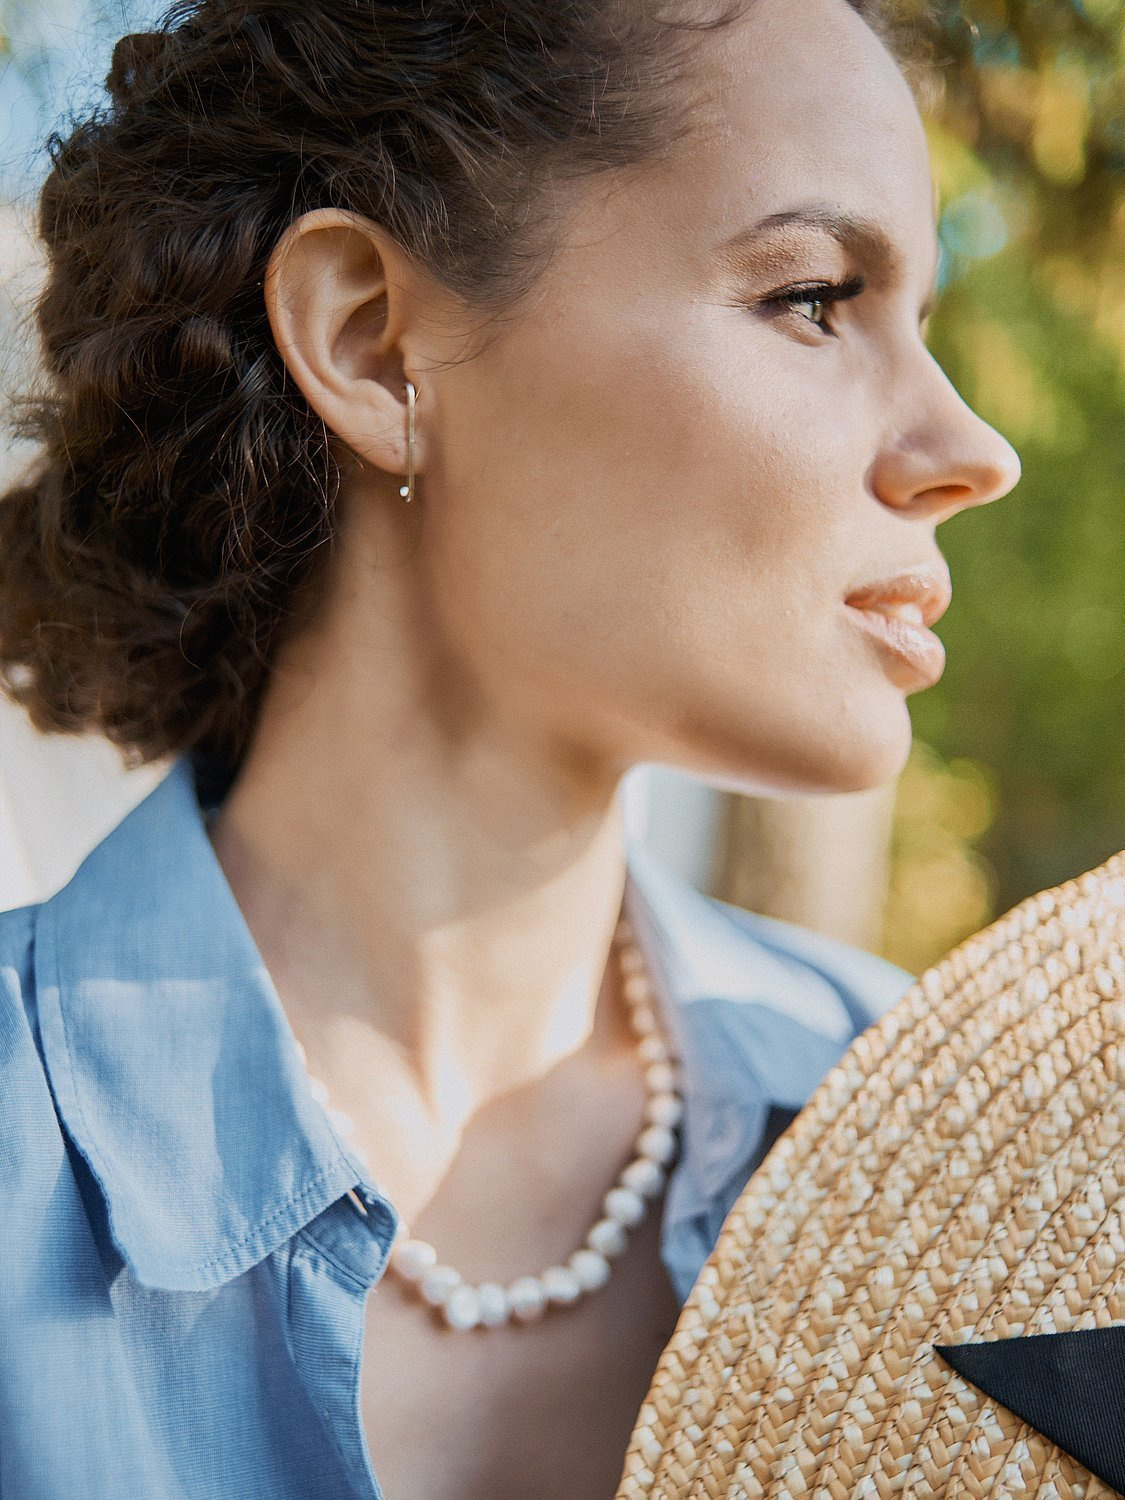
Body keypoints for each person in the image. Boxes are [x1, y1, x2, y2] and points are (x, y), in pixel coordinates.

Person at [0, 0, 1021, 1495]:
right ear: (367, 340)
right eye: (812, 296)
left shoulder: (971, 1162)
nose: (973, 451)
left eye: (917, 320)